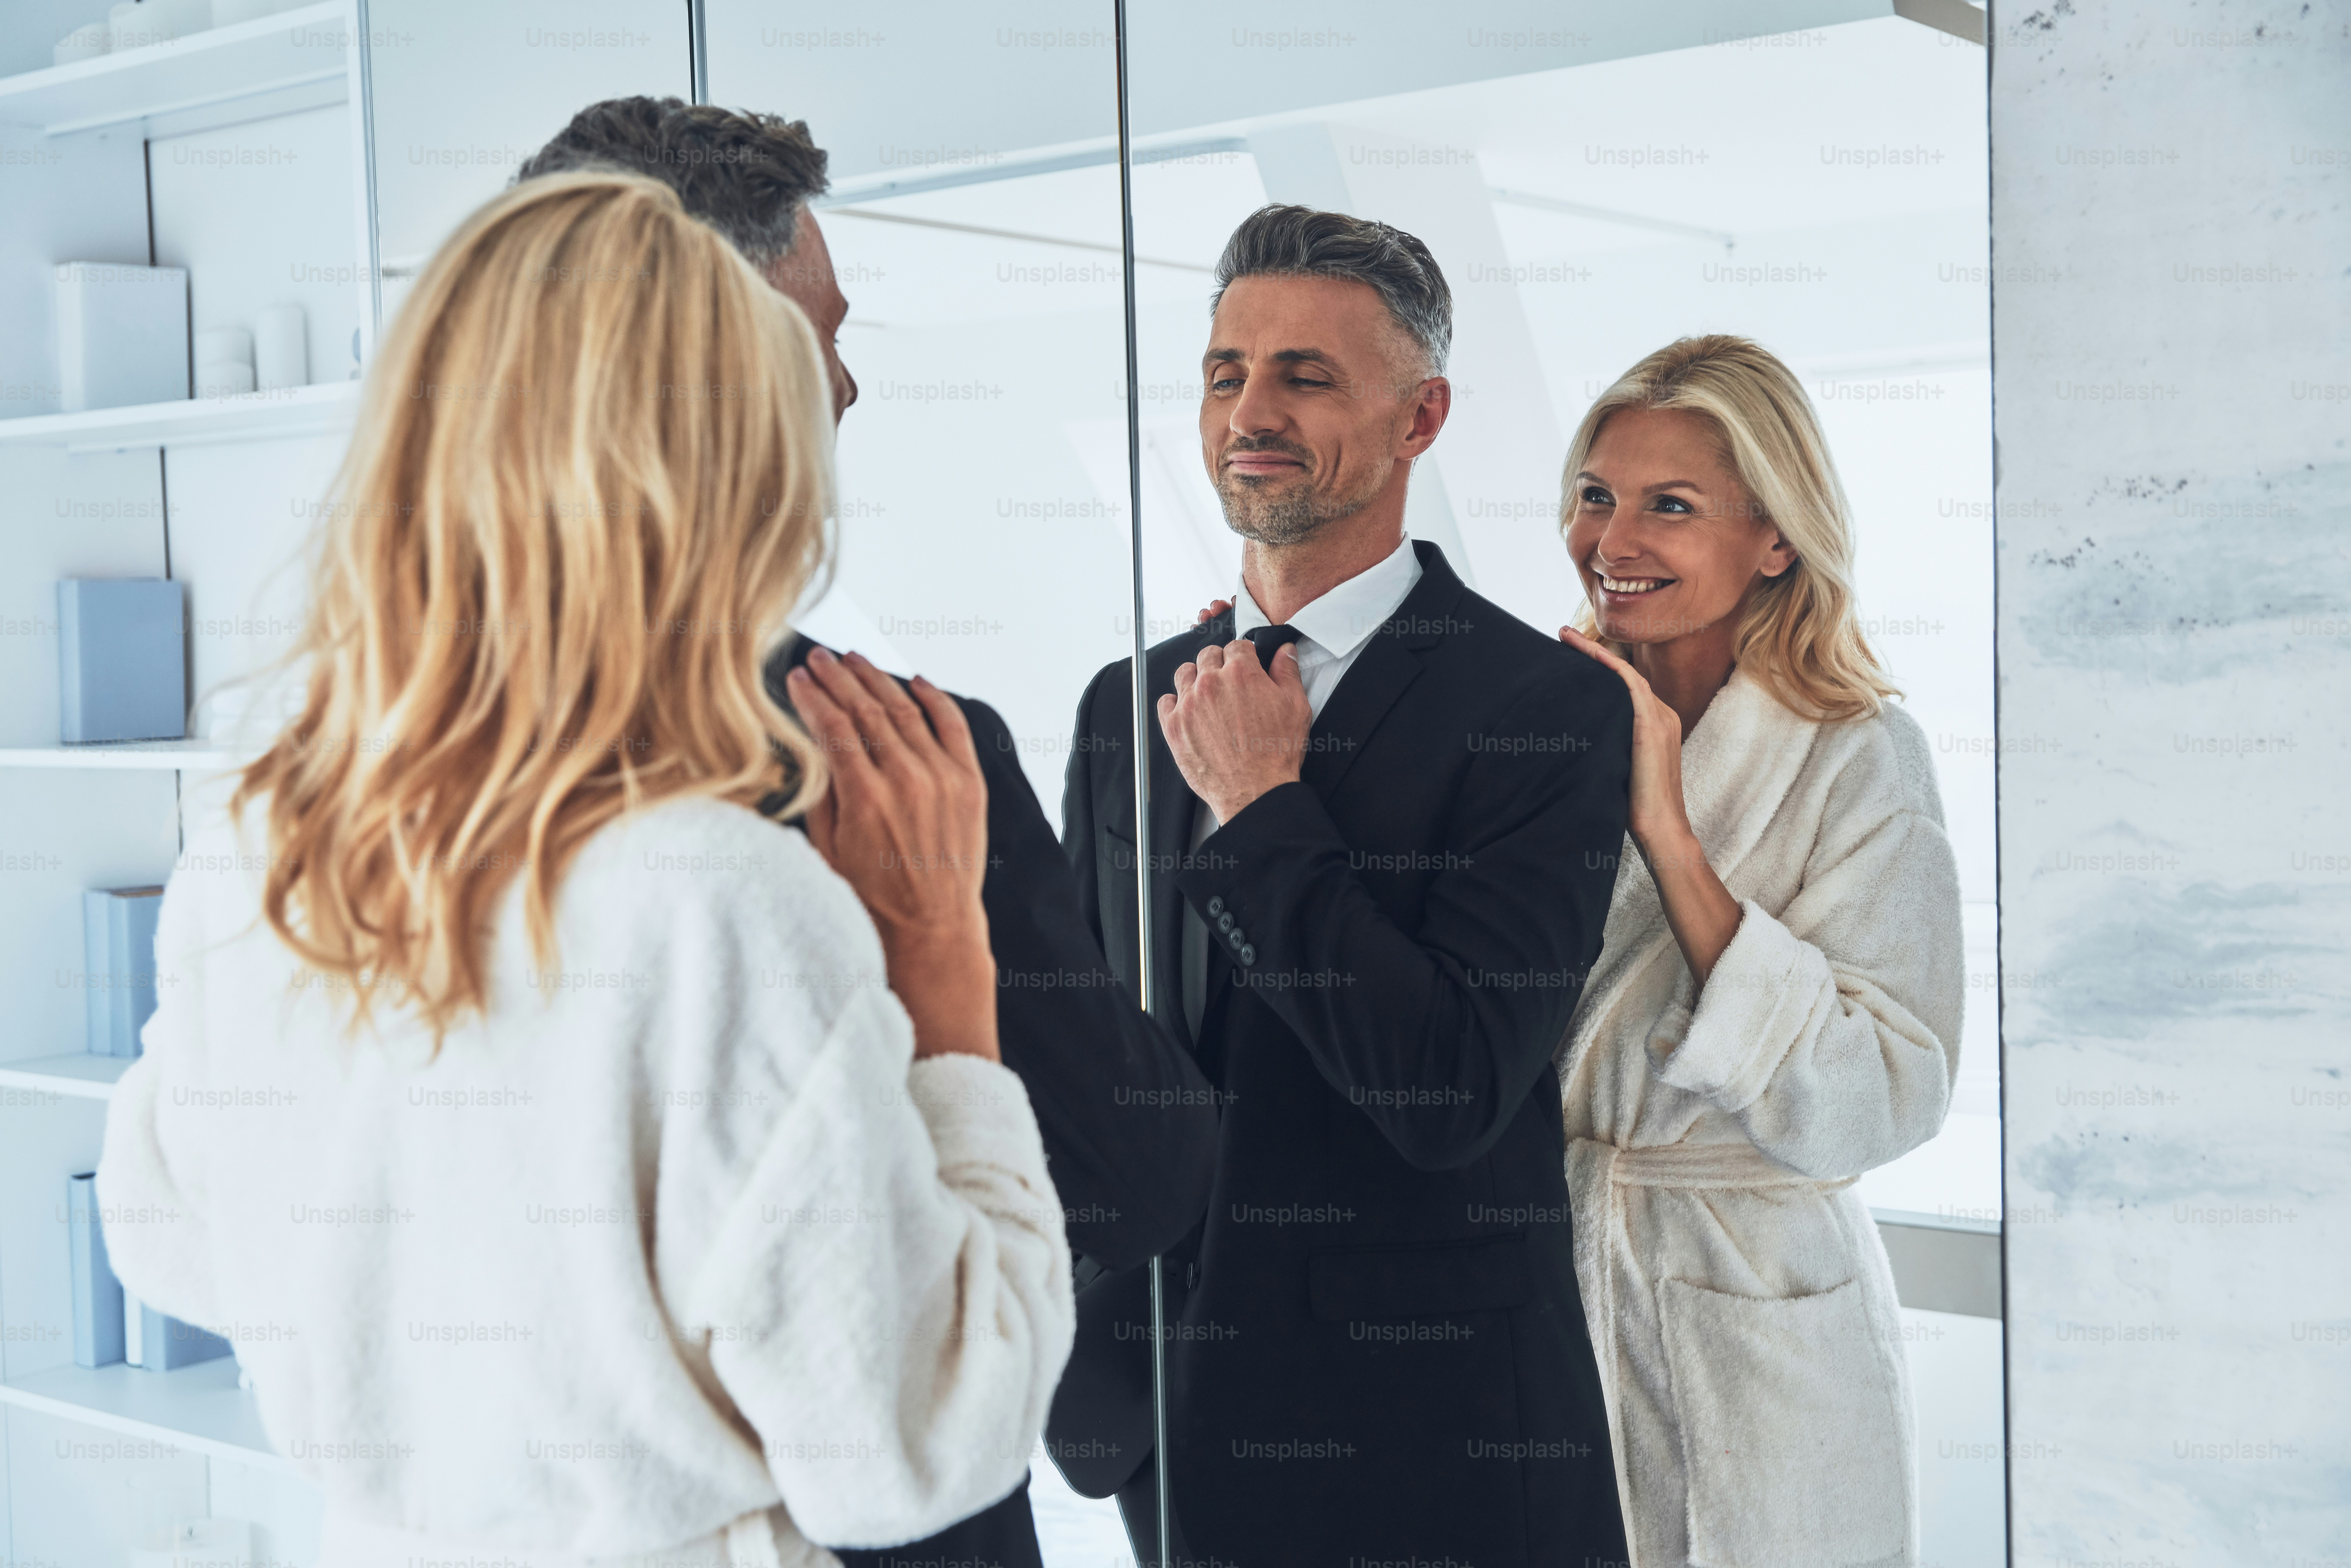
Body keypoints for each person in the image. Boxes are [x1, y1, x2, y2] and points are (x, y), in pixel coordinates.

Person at [94, 171, 1072, 1567]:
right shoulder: (720, 904)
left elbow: (169, 1241)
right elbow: (910, 1447)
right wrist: (940, 964)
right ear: (731, 497)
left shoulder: (266, 848)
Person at [512, 98, 1221, 1568]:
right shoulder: (887, 761)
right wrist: (943, 970)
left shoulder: (349, 780)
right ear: (724, 372)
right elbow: (1141, 1173)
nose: (847, 388)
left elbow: (190, 1225)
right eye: (822, 338)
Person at [1055, 204, 1634, 1567]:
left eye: (1304, 377)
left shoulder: (1543, 707)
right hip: (1158, 1417)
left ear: (1418, 418)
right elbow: (1083, 1046)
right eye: (1225, 373)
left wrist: (1264, 812)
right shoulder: (1124, 703)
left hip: (1429, 1436)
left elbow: (1447, 1087)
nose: (1249, 412)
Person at [1551, 335, 1964, 1568]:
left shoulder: (1859, 755)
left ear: (1775, 538)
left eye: (1670, 507)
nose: (1612, 541)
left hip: (1759, 1311)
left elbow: (1888, 1091)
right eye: (1596, 495)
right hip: (1556, 1283)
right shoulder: (1540, 722)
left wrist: (1670, 834)